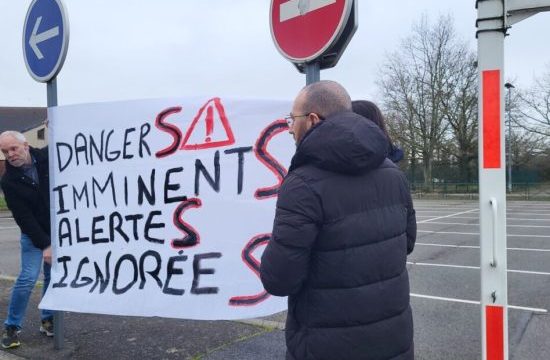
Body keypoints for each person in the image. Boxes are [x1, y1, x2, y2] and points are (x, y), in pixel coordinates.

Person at [260, 81, 417, 360]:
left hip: (325, 344)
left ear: (311, 120)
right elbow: (407, 242)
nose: (288, 128)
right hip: (393, 340)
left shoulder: (302, 184)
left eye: (292, 119)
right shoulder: (393, 173)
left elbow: (279, 279)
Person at [0, 131, 54, 349]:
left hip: (58, 231)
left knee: (53, 277)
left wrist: (56, 125)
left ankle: (48, 319)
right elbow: (25, 219)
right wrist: (46, 245)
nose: (10, 154)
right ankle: (12, 327)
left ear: (26, 145)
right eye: (5, 151)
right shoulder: (9, 181)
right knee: (27, 279)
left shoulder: (45, 157)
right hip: (33, 235)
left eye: (13, 148)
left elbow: (66, 143)